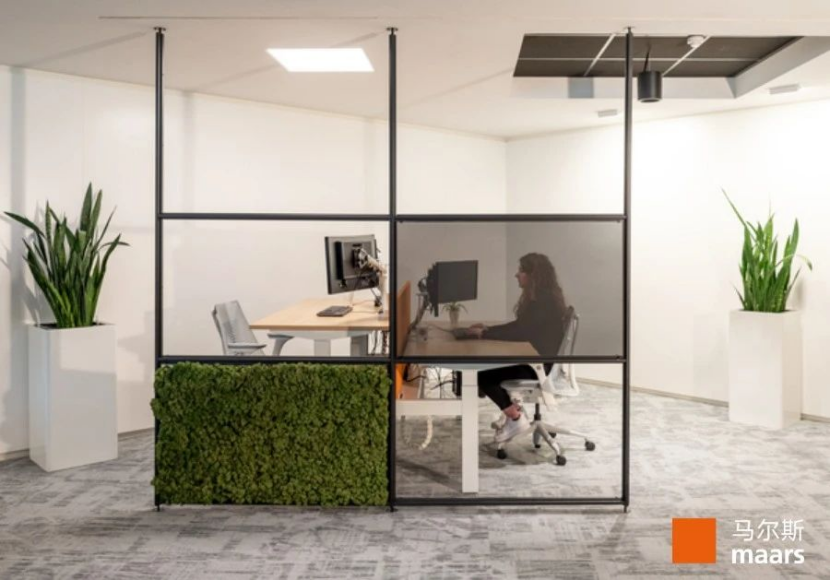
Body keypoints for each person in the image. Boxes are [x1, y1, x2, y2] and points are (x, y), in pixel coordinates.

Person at [467, 252, 568, 443]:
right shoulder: (543, 298)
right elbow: (520, 327)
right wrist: (487, 330)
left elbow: (521, 332)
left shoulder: (543, 302)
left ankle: (515, 417)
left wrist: (484, 334)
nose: (516, 275)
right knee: (487, 368)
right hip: (537, 361)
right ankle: (513, 412)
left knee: (482, 374)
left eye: (521, 271)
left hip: (537, 366)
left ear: (533, 275)